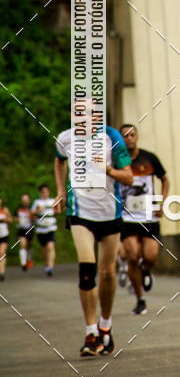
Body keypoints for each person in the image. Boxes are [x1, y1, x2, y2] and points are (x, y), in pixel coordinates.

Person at [54, 101, 133, 356]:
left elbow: (128, 177)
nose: (81, 118)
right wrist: (59, 192)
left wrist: (107, 169)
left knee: (107, 272)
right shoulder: (65, 139)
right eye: (76, 113)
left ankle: (105, 326)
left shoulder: (112, 137)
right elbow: (59, 162)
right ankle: (91, 333)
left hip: (110, 213)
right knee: (87, 270)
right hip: (80, 212)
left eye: (86, 112)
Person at [118, 123, 169, 315]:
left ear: (137, 137)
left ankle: (146, 270)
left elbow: (165, 180)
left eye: (132, 135)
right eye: (125, 136)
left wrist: (161, 203)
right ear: (121, 140)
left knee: (150, 256)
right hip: (126, 217)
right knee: (132, 256)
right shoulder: (117, 161)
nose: (129, 139)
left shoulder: (149, 158)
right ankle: (140, 299)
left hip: (149, 216)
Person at [32, 184, 57, 277]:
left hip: (51, 227)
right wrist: (38, 210)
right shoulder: (37, 202)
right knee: (45, 248)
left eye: (46, 191)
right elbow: (32, 213)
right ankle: (46, 263)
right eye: (43, 191)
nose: (45, 193)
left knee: (51, 246)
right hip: (41, 229)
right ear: (40, 193)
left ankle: (51, 266)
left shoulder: (52, 201)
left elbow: (58, 210)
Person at [16, 193, 35, 272]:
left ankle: (29, 259)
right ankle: (23, 263)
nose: (25, 202)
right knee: (23, 245)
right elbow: (15, 217)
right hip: (21, 229)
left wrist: (31, 215)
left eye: (26, 200)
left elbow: (36, 217)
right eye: (23, 200)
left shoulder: (32, 208)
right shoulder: (18, 209)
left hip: (30, 229)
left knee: (29, 245)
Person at [0, 197, 13, 281]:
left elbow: (11, 220)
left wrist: (5, 219)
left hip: (3, 235)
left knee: (2, 253)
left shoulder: (5, 210)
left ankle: (1, 272)